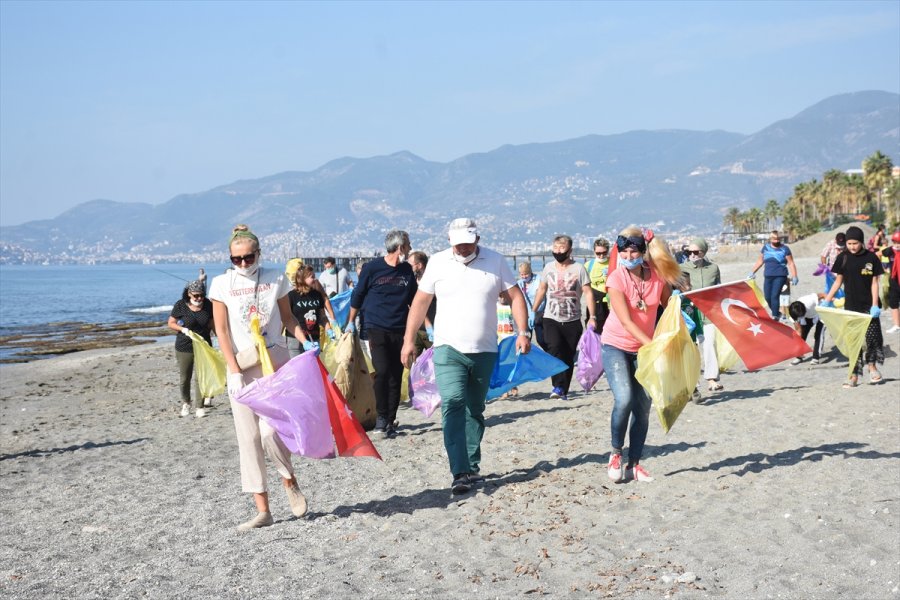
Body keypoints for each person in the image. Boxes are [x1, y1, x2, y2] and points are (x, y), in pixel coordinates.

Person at [400, 218, 530, 495]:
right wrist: (409, 340)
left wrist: (523, 331)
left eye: (467, 243)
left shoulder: (495, 261)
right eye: (457, 244)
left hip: (484, 350)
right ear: (450, 241)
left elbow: (516, 297)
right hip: (448, 348)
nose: (462, 248)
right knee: (453, 403)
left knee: (474, 408)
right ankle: (459, 471)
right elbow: (421, 302)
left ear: (477, 239)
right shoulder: (437, 262)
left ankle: (471, 466)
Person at [208, 224, 314, 531]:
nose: (243, 263)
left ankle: (289, 481)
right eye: (236, 258)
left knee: (271, 431)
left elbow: (289, 317)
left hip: (274, 360)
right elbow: (222, 332)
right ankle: (262, 510)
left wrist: (304, 340)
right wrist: (234, 371)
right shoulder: (220, 284)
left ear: (258, 253)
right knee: (249, 439)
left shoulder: (275, 278)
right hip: (241, 365)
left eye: (248, 257)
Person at [603, 226, 681, 484]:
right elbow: (626, 322)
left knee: (643, 406)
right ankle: (616, 453)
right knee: (624, 398)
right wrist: (653, 345)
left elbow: (668, 305)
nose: (627, 256)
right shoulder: (615, 278)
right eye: (623, 252)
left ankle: (633, 464)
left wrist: (681, 310)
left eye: (633, 251)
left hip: (644, 348)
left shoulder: (657, 277)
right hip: (615, 345)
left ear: (642, 252)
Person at [346, 230, 417, 439]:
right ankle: (380, 418)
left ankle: (390, 419)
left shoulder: (406, 270)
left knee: (396, 375)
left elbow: (415, 300)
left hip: (400, 329)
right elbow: (357, 295)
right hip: (375, 327)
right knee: (383, 372)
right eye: (408, 245)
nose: (411, 249)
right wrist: (350, 322)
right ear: (400, 247)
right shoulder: (373, 268)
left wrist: (426, 325)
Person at [531, 235, 596, 401]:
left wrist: (592, 316)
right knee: (554, 349)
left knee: (567, 356)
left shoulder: (579, 269)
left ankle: (563, 388)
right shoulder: (548, 268)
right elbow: (542, 289)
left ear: (570, 250)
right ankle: (557, 386)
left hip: (573, 320)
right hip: (550, 317)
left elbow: (588, 293)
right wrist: (533, 310)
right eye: (555, 248)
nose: (558, 252)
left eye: (562, 248)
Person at [822, 225, 885, 387]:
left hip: (869, 307)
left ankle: (872, 367)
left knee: (872, 338)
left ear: (861, 242)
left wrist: (875, 305)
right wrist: (827, 299)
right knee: (853, 341)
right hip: (851, 307)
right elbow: (838, 281)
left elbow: (875, 283)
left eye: (855, 243)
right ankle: (854, 374)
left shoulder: (871, 258)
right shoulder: (843, 257)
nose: (852, 247)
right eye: (849, 244)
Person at [679, 237, 723, 393]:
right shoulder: (682, 268)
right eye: (689, 252)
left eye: (696, 252)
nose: (692, 255)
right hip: (691, 313)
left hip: (710, 312)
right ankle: (693, 382)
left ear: (704, 252)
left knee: (710, 343)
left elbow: (720, 288)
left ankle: (712, 379)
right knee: (693, 347)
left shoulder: (714, 268)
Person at [167, 279, 214, 418]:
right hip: (184, 346)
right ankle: (186, 403)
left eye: (201, 295)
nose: (199, 298)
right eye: (195, 295)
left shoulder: (208, 305)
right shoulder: (180, 305)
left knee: (201, 377)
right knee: (184, 378)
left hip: (203, 346)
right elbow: (171, 323)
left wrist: (222, 341)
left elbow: (212, 324)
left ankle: (199, 406)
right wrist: (183, 329)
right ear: (189, 294)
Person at [285, 264, 336, 358]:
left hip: (314, 340)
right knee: (298, 371)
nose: (315, 279)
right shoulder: (291, 296)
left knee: (313, 370)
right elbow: (286, 318)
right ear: (302, 278)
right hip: (295, 340)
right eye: (312, 277)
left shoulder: (317, 295)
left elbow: (322, 317)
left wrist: (329, 330)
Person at [748, 230, 799, 321]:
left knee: (774, 295)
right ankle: (777, 312)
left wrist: (794, 276)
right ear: (770, 239)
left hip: (780, 275)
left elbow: (791, 263)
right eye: (774, 239)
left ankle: (775, 316)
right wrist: (752, 272)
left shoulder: (785, 249)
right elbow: (760, 261)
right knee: (767, 297)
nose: (776, 241)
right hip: (768, 275)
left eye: (778, 239)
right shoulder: (765, 248)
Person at [789, 293, 826, 365]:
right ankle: (799, 356)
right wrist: (798, 345)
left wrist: (831, 302)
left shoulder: (809, 301)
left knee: (818, 334)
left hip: (821, 312)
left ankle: (816, 357)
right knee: (802, 335)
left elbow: (823, 295)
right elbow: (798, 331)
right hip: (808, 317)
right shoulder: (793, 314)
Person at [584, 237, 611, 334]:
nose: (601, 256)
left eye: (604, 253)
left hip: (611, 303)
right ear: (594, 251)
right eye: (598, 253)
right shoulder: (588, 265)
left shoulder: (614, 263)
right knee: (595, 332)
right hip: (595, 304)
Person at [517, 261, 545, 348]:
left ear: (530, 272)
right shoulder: (520, 283)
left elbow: (542, 297)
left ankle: (550, 355)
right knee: (526, 338)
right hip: (526, 314)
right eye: (521, 274)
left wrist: (534, 312)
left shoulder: (539, 279)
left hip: (539, 313)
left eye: (526, 274)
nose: (524, 276)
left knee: (541, 340)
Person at [876, 231, 900, 334]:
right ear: (893, 242)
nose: (897, 245)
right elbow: (877, 254)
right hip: (894, 280)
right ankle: (896, 325)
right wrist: (881, 268)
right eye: (895, 242)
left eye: (899, 242)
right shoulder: (890, 250)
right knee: (893, 303)